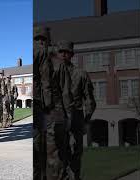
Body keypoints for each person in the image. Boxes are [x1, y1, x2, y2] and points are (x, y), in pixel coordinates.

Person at [33, 26, 75, 180]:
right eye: (39, 39)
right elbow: (65, 93)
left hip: (47, 112)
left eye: (41, 40)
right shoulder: (56, 63)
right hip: (50, 112)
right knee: (49, 154)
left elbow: (65, 92)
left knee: (45, 153)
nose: (41, 43)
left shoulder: (55, 62)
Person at [56, 40, 96, 180]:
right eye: (61, 52)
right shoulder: (52, 74)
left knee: (74, 155)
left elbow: (90, 100)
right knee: (57, 156)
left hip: (75, 118)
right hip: (58, 120)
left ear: (71, 55)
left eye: (66, 53)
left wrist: (86, 120)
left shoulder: (81, 74)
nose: (63, 55)